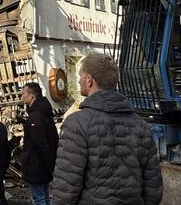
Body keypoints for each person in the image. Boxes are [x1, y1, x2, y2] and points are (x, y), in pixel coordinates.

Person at [51, 53, 163, 205]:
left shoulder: (77, 124)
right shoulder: (141, 125)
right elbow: (153, 188)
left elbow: (66, 187)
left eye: (81, 76)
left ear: (89, 80)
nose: (79, 80)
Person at [21, 83, 58, 205]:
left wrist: (50, 166)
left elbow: (42, 145)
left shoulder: (35, 118)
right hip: (43, 166)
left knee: (39, 199)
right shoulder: (43, 113)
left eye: (24, 94)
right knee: (45, 197)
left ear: (32, 96)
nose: (22, 96)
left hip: (37, 166)